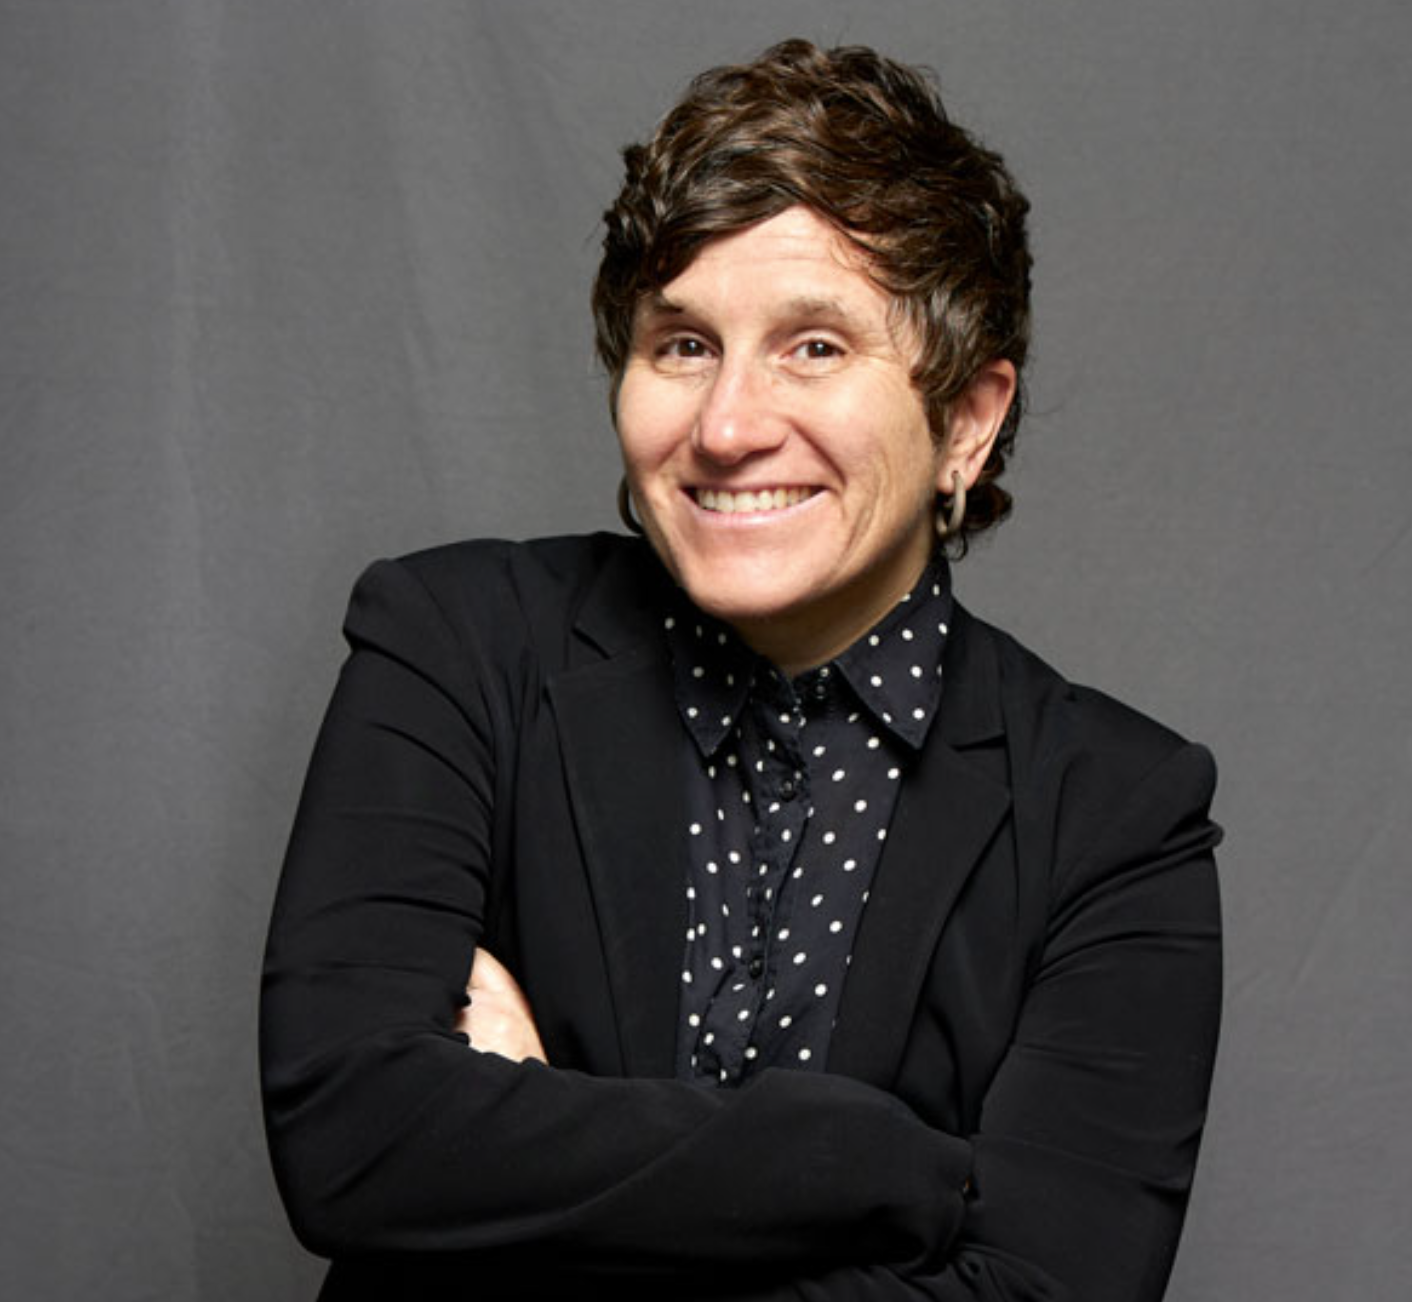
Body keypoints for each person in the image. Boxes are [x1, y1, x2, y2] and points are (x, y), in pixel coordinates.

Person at [260, 39, 1222, 1301]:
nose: (723, 426)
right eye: (681, 344)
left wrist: (540, 1147)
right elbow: (349, 1142)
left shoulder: (1115, 812)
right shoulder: (457, 644)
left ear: (967, 423)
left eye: (814, 346)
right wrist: (859, 1163)